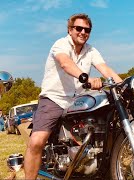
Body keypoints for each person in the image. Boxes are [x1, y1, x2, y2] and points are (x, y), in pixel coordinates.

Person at [24, 13, 122, 179]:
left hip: (77, 100)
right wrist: (86, 78)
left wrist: (123, 85)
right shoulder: (61, 44)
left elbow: (105, 69)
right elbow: (65, 63)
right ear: (70, 30)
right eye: (79, 28)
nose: (83, 32)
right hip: (54, 98)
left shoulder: (91, 50)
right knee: (37, 142)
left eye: (87, 30)